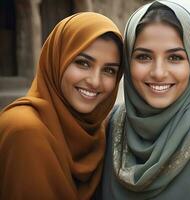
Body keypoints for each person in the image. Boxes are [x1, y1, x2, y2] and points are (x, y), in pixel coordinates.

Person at [102, 1, 190, 199]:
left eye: (175, 58)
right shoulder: (114, 123)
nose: (159, 73)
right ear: (127, 60)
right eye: (143, 57)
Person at [0, 12, 123, 199]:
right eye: (83, 63)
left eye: (109, 70)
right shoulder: (24, 130)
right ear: (58, 60)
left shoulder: (97, 132)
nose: (95, 81)